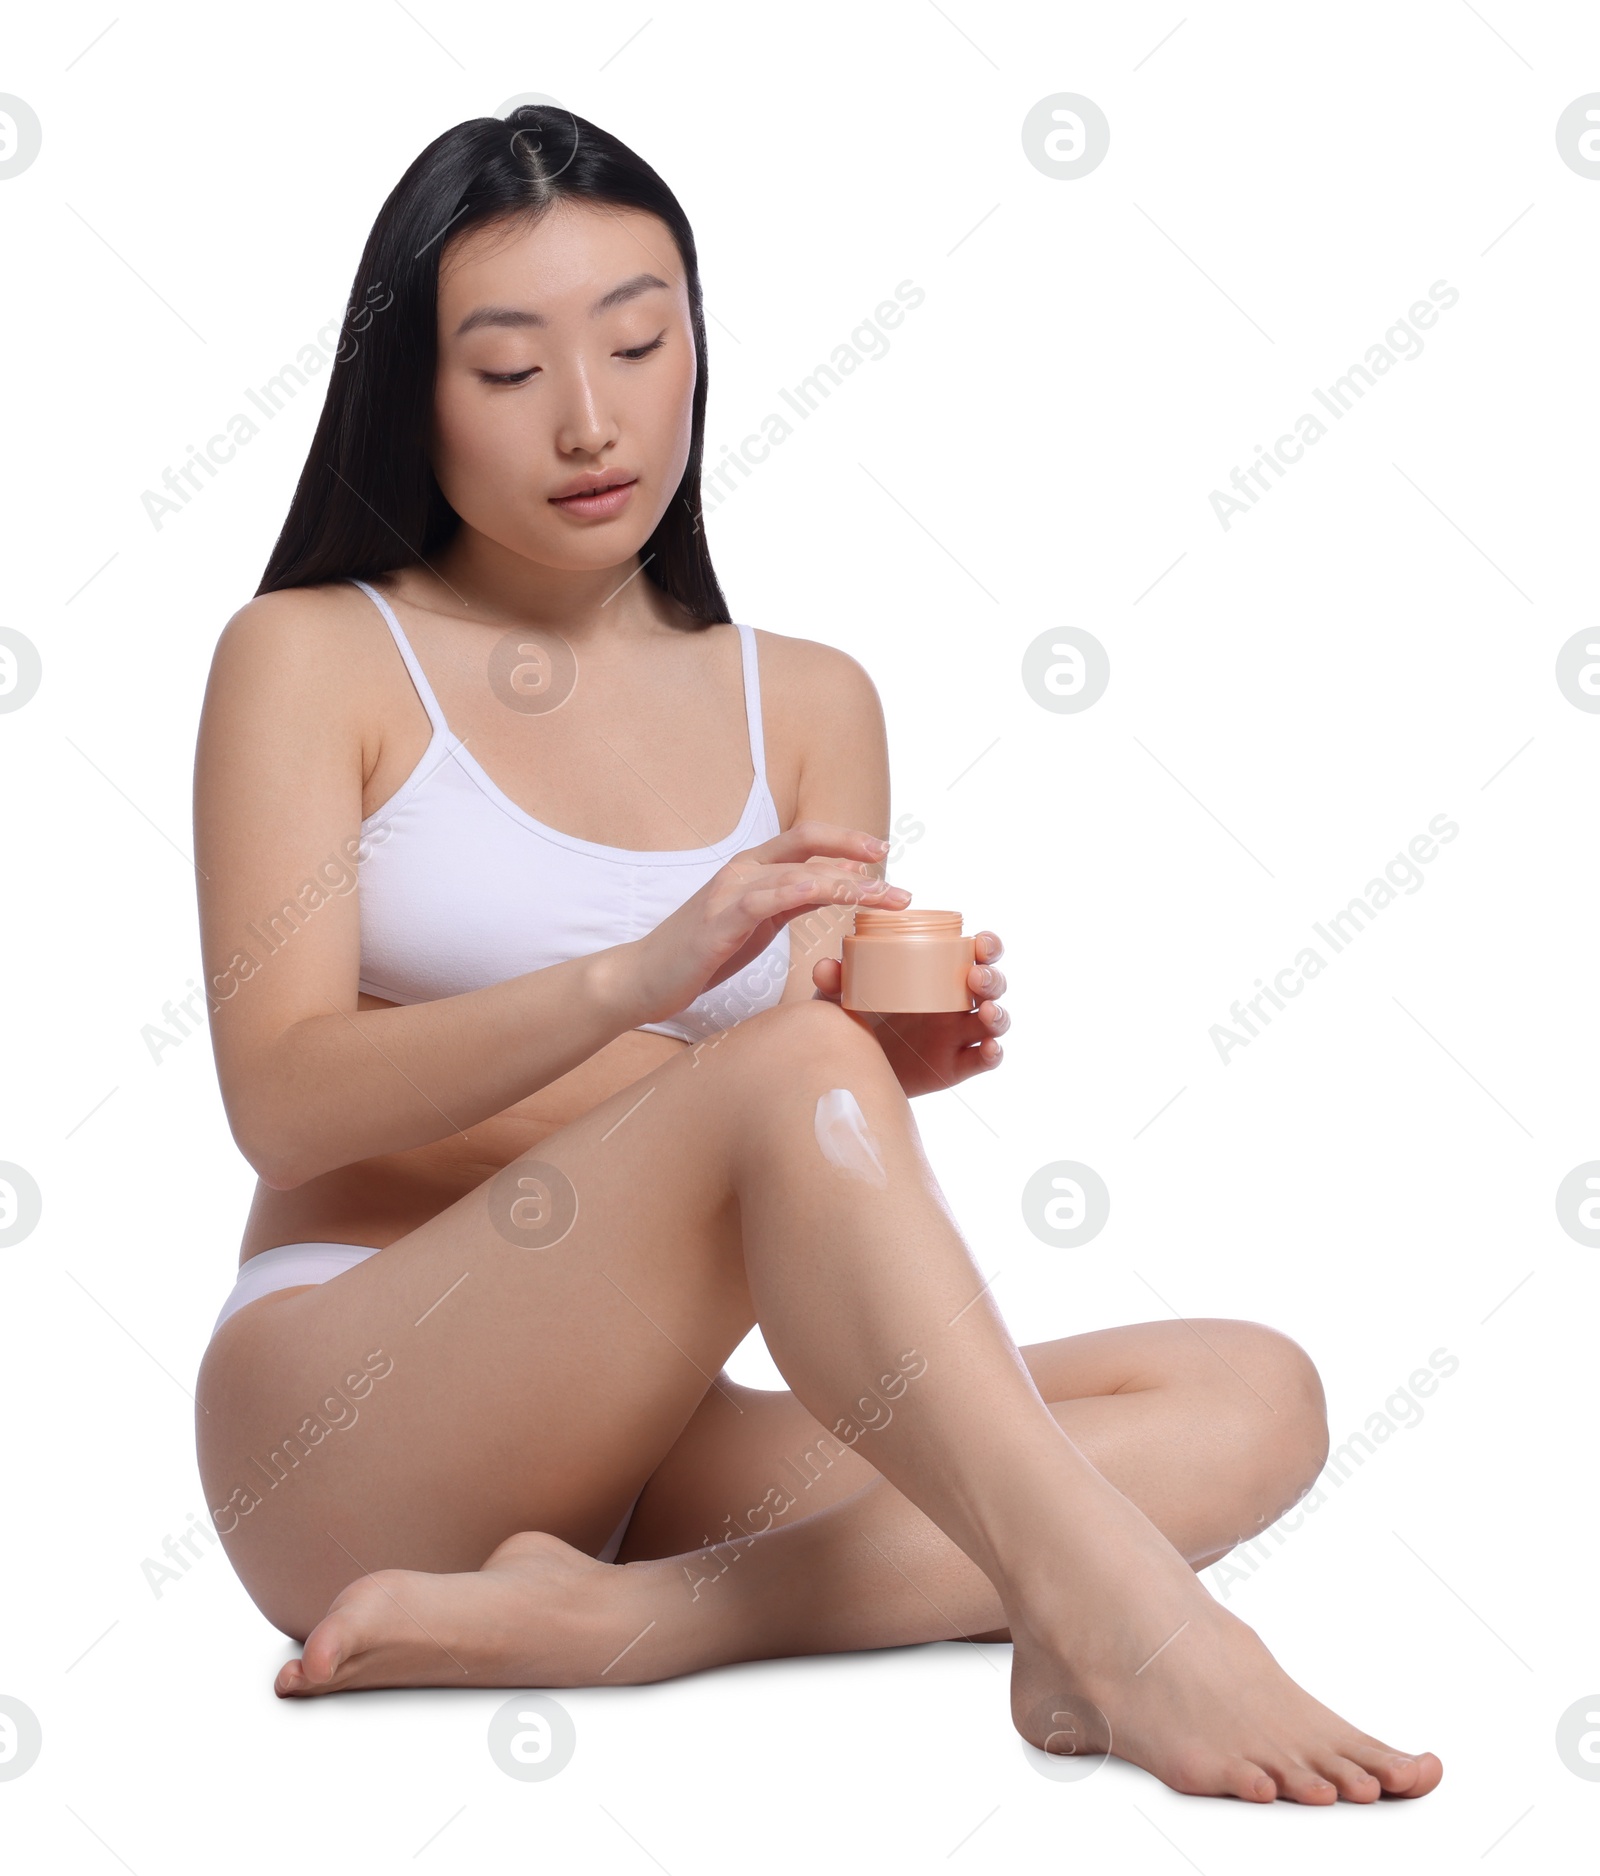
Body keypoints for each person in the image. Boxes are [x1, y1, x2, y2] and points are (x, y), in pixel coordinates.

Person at [191, 106, 1440, 1805]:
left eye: (639, 343)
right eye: (506, 371)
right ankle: (1133, 1628)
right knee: (796, 1077)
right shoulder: (313, 658)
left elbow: (774, 1151)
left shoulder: (814, 701)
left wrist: (869, 1082)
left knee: (1255, 1397)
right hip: (346, 1419)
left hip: (637, 1440)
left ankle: (648, 1622)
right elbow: (284, 1102)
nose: (591, 419)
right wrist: (659, 998)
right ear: (411, 392)